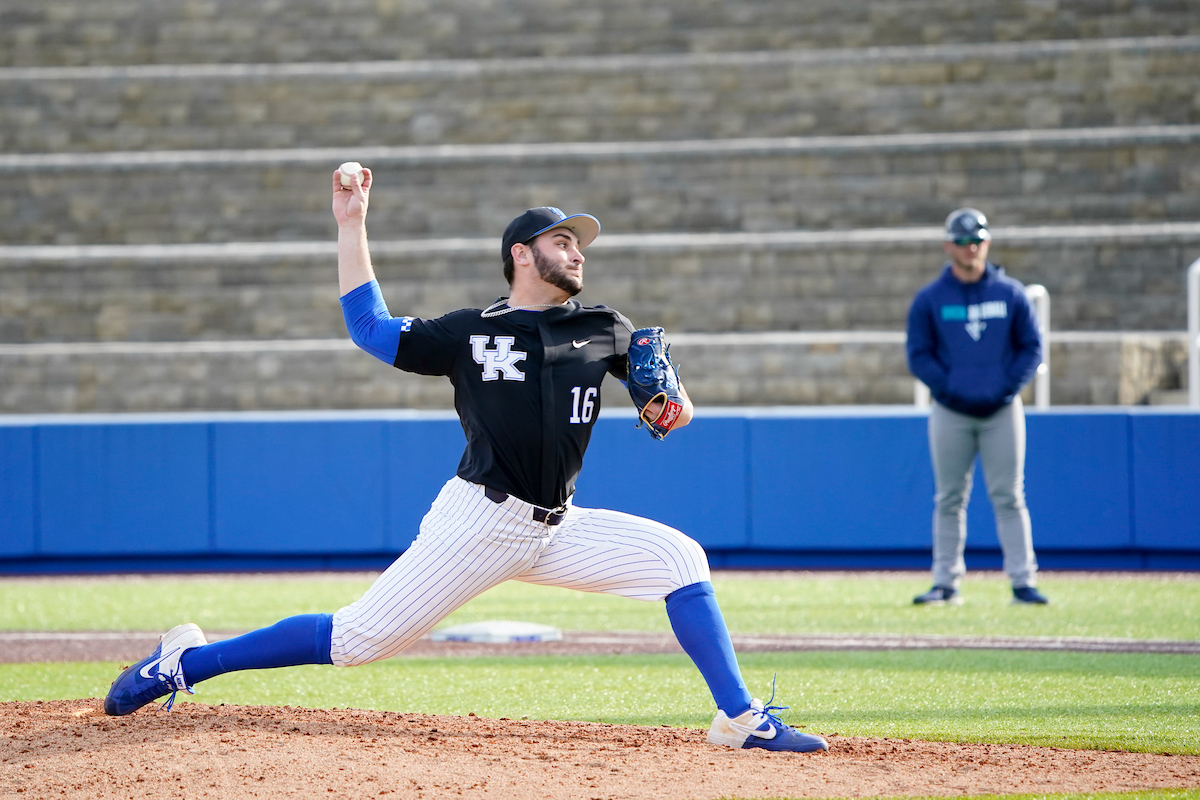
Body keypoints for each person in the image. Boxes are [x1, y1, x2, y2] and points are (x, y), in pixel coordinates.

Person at [103, 165, 829, 754]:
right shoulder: (469, 333)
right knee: (355, 641)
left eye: (581, 244)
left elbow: (670, 415)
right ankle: (182, 662)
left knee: (681, 560)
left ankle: (738, 718)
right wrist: (351, 224)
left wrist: (670, 397)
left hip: (558, 526)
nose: (578, 251)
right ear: (522, 253)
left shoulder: (606, 328)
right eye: (563, 241)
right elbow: (369, 328)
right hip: (478, 524)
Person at [906, 207, 1050, 606]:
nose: (971, 249)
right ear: (948, 245)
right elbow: (919, 355)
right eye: (963, 242)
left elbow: (1031, 348)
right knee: (950, 498)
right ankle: (945, 583)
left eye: (977, 241)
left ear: (987, 243)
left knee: (1009, 496)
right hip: (951, 411)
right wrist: (951, 387)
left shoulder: (1010, 293)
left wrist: (1003, 387)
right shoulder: (931, 300)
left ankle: (1023, 582)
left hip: (1002, 410)